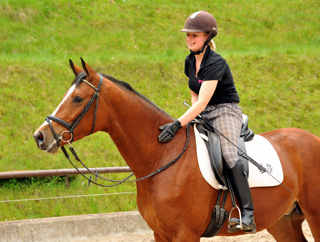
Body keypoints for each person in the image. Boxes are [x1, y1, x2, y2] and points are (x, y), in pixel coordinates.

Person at [158, 10, 256, 234]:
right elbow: (195, 93)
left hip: (225, 111)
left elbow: (203, 101)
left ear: (207, 37)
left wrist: (177, 124)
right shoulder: (190, 60)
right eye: (188, 35)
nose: (190, 39)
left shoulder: (216, 62)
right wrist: (192, 114)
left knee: (229, 154)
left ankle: (248, 213)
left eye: (195, 35)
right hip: (202, 110)